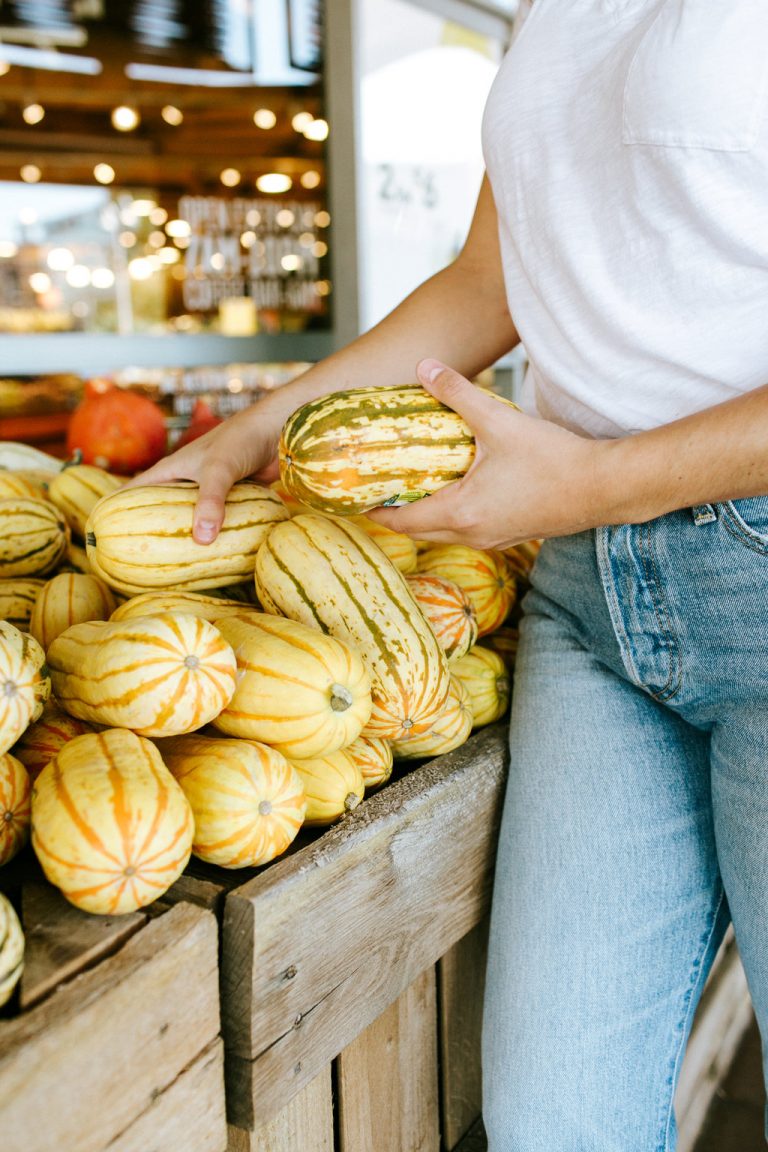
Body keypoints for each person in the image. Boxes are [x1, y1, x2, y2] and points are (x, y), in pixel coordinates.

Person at [132, 1, 768, 1147]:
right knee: (550, 1127)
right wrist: (263, 426)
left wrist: (588, 483)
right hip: (587, 602)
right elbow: (491, 276)